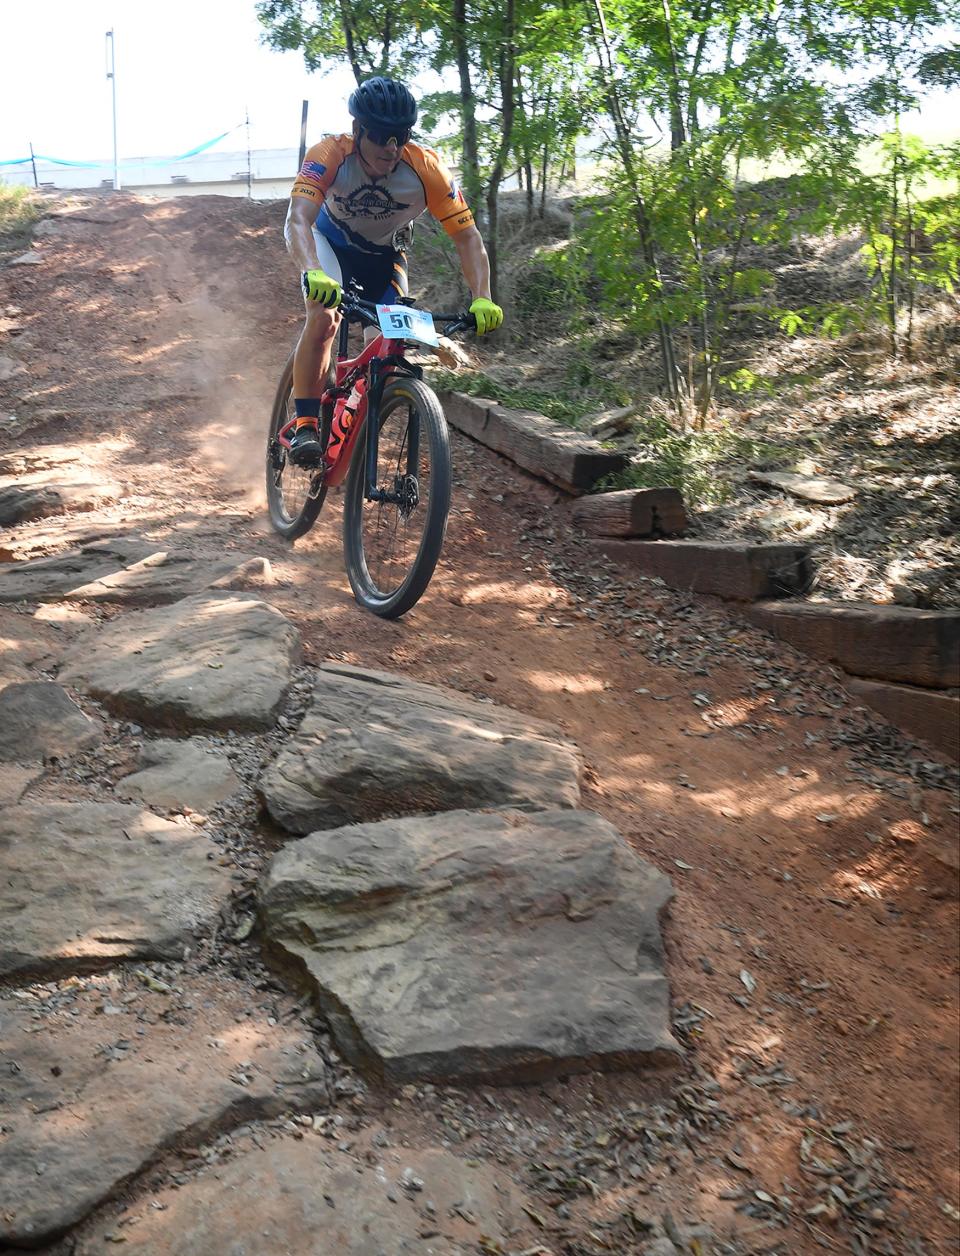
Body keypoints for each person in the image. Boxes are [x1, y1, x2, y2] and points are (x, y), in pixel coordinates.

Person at [284, 75, 504, 466]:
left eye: (400, 136)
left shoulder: (426, 169)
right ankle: (305, 424)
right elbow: (298, 219)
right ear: (357, 130)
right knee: (324, 318)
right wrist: (311, 270)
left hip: (385, 256)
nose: (391, 147)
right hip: (330, 244)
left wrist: (482, 297)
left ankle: (355, 428)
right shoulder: (329, 153)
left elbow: (468, 238)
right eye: (382, 135)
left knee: (388, 345)